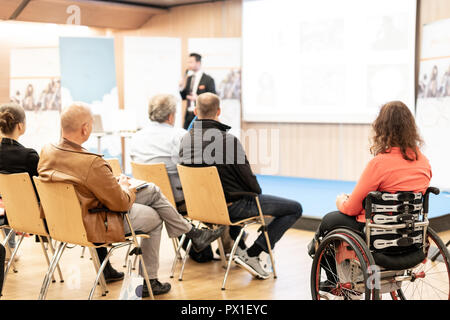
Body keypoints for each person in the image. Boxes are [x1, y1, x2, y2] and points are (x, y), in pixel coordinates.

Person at [37, 103, 224, 296]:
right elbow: (121, 203)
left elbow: (81, 187)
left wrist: (113, 185)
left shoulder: (47, 151)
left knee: (151, 190)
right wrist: (124, 187)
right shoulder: (91, 163)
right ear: (85, 128)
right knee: (154, 216)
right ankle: (149, 280)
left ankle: (192, 234)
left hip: (63, 220)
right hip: (94, 223)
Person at [307, 101, 432, 288]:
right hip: (409, 235)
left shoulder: (380, 163)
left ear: (382, 128)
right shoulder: (423, 162)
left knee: (328, 221)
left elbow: (351, 209)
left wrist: (342, 201)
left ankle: (332, 277)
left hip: (378, 235)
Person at [179, 93, 303, 279]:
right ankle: (254, 253)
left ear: (195, 111)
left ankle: (241, 250)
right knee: (294, 208)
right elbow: (251, 184)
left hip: (200, 210)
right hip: (230, 209)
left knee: (240, 197)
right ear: (219, 111)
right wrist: (251, 192)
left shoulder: (185, 140)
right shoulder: (228, 140)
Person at [129, 94, 186, 205]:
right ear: (171, 116)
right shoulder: (180, 135)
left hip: (144, 198)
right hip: (175, 200)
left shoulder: (136, 137)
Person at [179, 53, 216, 129]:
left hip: (202, 116)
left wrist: (198, 98)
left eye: (191, 62)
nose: (188, 64)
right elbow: (184, 97)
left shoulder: (208, 79)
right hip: (188, 115)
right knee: (186, 138)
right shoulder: (189, 78)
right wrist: (181, 87)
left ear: (198, 63)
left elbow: (213, 99)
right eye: (188, 62)